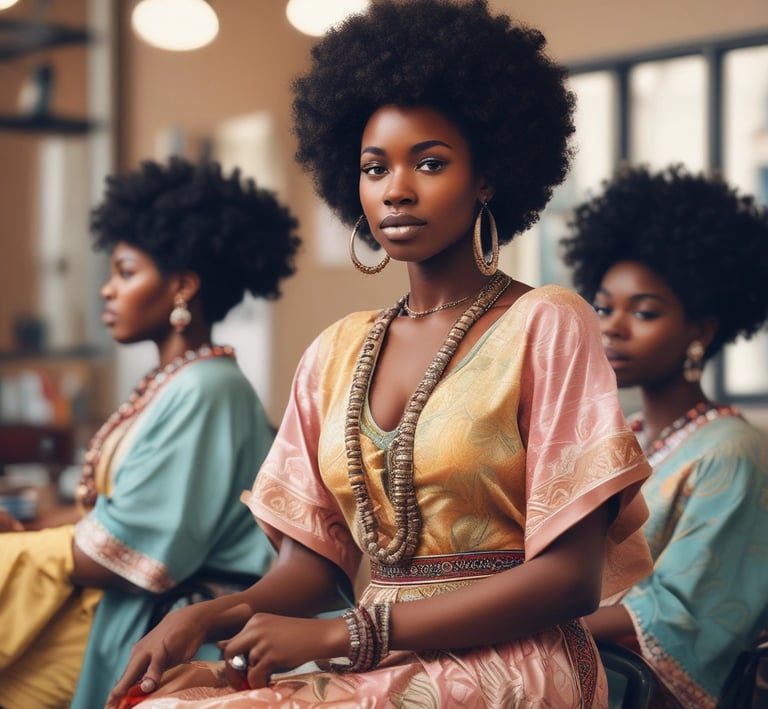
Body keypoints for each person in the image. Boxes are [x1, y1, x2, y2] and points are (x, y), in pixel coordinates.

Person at [106, 2, 654, 707]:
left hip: (515, 663)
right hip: (375, 651)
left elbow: (571, 580)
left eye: (430, 163)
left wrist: (347, 635)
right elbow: (312, 573)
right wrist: (202, 617)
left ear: (486, 176)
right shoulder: (336, 351)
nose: (396, 188)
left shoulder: (545, 323)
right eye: (374, 167)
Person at [0, 156, 301, 709]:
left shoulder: (206, 390)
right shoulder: (180, 382)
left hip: (177, 636)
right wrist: (25, 524)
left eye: (125, 271)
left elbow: (136, 552)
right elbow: (119, 511)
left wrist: (17, 543)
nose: (107, 291)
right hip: (137, 620)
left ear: (183, 286)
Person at [560, 163, 768, 708]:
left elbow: (679, 617)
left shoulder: (731, 453)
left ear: (700, 329)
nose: (613, 327)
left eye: (645, 311)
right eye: (603, 307)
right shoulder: (619, 438)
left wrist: (528, 621)